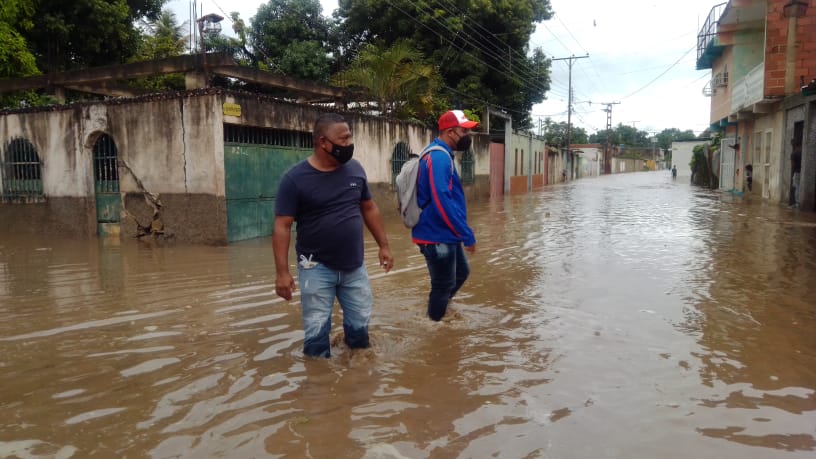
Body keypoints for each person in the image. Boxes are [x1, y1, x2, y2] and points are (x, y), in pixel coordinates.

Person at [273, 113, 394, 358]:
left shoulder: (355, 169)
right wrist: (282, 273)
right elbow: (282, 226)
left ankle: (355, 376)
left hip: (355, 266)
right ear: (323, 142)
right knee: (316, 336)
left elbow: (369, 208)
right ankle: (318, 379)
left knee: (359, 334)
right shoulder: (294, 180)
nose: (349, 144)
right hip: (315, 267)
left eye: (350, 138)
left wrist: (384, 245)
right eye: (343, 139)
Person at [412, 110, 477, 321]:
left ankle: (439, 309)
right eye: (464, 131)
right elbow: (442, 200)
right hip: (436, 233)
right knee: (443, 284)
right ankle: (434, 324)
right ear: (450, 132)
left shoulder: (442, 154)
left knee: (461, 273)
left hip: (446, 231)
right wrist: (466, 234)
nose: (468, 136)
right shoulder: (438, 157)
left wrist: (460, 231)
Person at [791, 139, 802, 207]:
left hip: (797, 172)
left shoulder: (794, 153)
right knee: (799, 187)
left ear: (794, 145)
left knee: (797, 187)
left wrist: (793, 173)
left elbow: (792, 165)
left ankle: (797, 203)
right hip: (802, 172)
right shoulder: (803, 152)